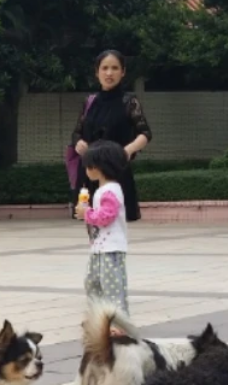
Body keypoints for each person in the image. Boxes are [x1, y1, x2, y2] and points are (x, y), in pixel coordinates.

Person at [71, 49, 152, 222]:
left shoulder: (129, 102)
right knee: (91, 223)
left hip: (116, 172)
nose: (109, 73)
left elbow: (145, 133)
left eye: (115, 68)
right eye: (104, 68)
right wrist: (79, 143)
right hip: (91, 172)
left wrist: (127, 150)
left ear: (122, 72)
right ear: (97, 72)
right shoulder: (90, 101)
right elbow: (77, 132)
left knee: (115, 222)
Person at [76, 140, 130, 315]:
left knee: (111, 286)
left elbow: (106, 217)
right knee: (92, 282)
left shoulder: (110, 191)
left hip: (111, 249)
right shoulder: (103, 190)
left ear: (99, 167)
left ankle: (118, 320)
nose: (86, 170)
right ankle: (99, 317)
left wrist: (87, 214)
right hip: (100, 248)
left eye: (88, 166)